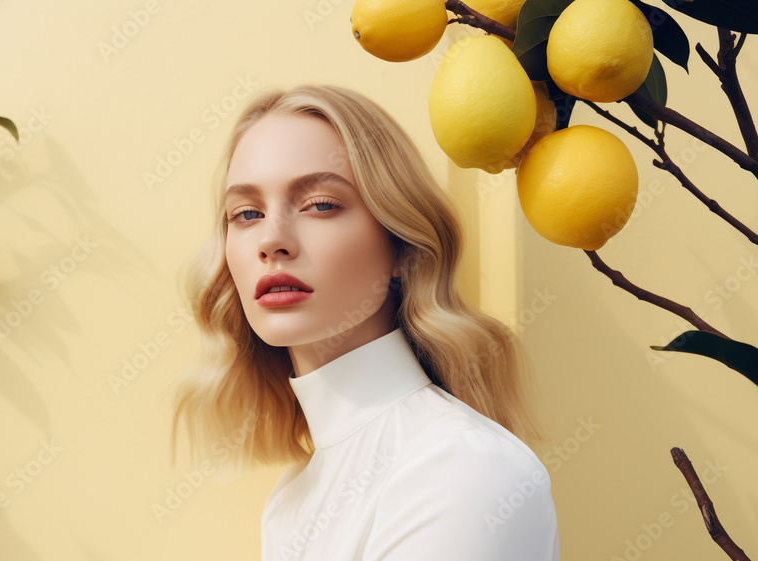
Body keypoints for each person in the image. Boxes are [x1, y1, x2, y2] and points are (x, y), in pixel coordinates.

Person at [166, 84, 560, 561]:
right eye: (246, 214)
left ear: (400, 244)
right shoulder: (290, 499)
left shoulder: (463, 467)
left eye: (321, 205)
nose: (272, 240)